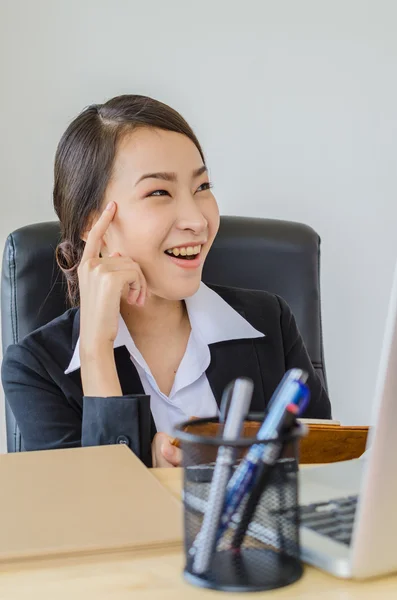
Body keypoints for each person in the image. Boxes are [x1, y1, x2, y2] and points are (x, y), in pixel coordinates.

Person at [1, 95, 331, 467]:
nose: (197, 220)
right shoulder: (35, 368)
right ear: (94, 225)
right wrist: (96, 350)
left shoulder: (270, 322)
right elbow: (87, 515)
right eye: (159, 192)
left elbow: (325, 474)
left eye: (202, 187)